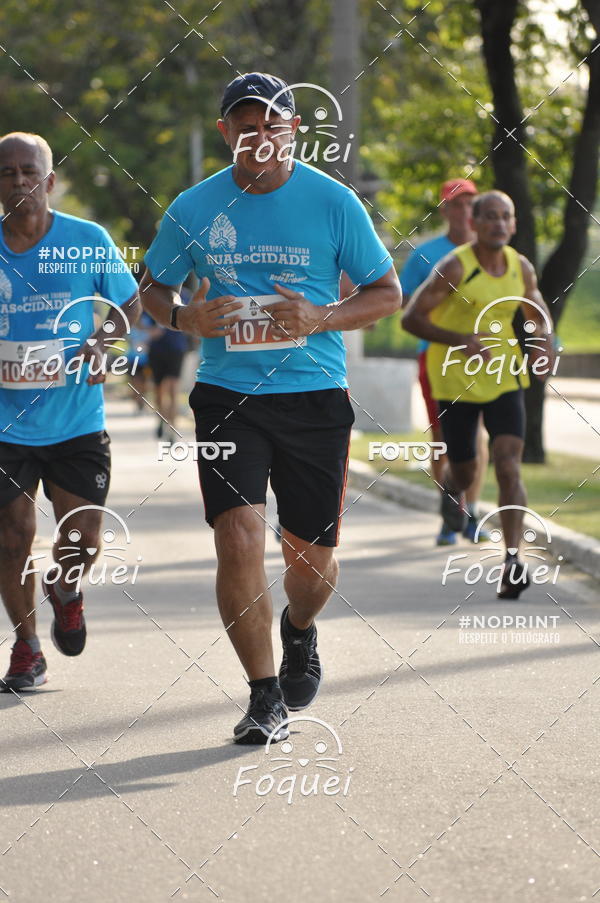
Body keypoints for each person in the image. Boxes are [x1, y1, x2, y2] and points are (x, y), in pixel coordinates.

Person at [140, 72, 401, 743]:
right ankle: (263, 695)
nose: (261, 136)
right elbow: (153, 288)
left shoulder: (333, 202)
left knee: (310, 565)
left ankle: (300, 628)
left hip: (314, 395)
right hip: (230, 398)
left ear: (293, 130)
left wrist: (322, 315)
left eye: (273, 123)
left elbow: (386, 291)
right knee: (238, 537)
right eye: (246, 125)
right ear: (227, 132)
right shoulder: (194, 208)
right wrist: (184, 316)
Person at [0, 132, 140, 691]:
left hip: (77, 421)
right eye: (6, 172)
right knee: (12, 537)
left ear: (49, 181)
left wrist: (104, 343)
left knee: (82, 540)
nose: (17, 181)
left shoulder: (86, 240)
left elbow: (128, 301)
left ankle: (65, 587)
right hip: (6, 424)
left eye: (27, 171)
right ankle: (27, 647)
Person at [402, 190, 554, 599]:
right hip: (455, 381)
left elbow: (535, 308)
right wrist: (460, 340)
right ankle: (451, 491)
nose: (499, 224)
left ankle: (512, 561)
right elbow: (411, 319)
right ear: (475, 222)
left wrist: (544, 342)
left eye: (506, 216)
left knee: (508, 465)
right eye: (490, 217)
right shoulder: (455, 267)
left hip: (504, 378)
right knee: (466, 472)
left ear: (514, 223)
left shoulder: (519, 266)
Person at [400, 178, 489, 546]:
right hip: (436, 356)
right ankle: (449, 509)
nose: (463, 211)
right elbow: (404, 302)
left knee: (478, 436)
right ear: (445, 210)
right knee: (442, 437)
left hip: (482, 357)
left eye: (470, 204)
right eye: (456, 204)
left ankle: (471, 511)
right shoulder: (425, 254)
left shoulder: (492, 252)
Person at [147, 290, 190, 443]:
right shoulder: (153, 293)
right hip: (157, 350)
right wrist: (149, 331)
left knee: (173, 389)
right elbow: (139, 319)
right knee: (159, 391)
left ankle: (172, 429)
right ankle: (161, 418)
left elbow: (192, 319)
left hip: (176, 348)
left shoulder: (185, 295)